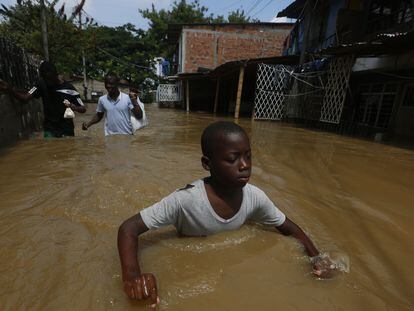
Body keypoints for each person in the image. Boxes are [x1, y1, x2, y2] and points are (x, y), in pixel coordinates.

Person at [117, 121, 336, 305]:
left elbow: (289, 228)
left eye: (248, 157)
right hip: (193, 267)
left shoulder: (255, 197)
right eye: (233, 159)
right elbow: (129, 228)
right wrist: (132, 277)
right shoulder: (185, 201)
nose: (244, 166)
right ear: (207, 164)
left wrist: (317, 258)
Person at [0, 61, 86, 138]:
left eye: (49, 78)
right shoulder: (40, 84)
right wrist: (10, 90)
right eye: (45, 78)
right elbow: (25, 98)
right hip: (49, 129)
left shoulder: (69, 88)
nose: (47, 81)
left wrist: (73, 107)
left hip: (66, 130)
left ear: (56, 74)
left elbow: (83, 108)